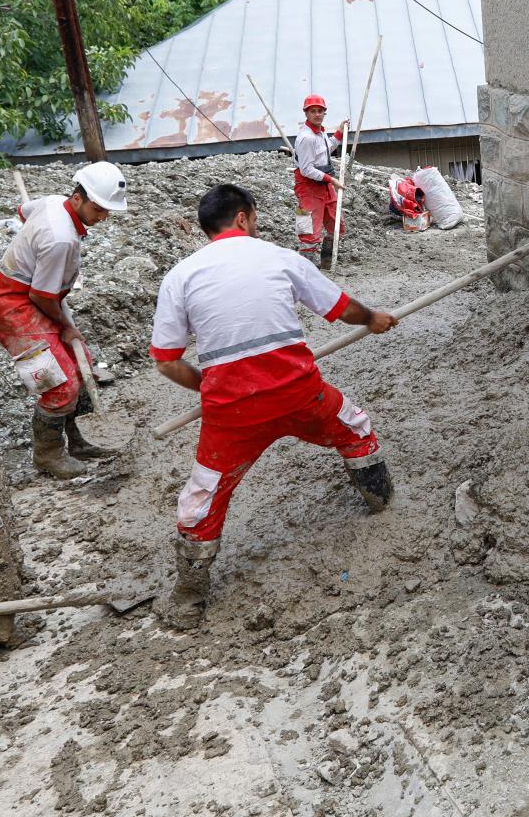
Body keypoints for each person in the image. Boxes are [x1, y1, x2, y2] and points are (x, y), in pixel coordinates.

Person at [149, 182, 400, 629]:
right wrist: (374, 318)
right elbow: (341, 309)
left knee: (202, 499)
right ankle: (380, 502)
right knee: (355, 428)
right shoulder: (278, 257)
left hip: (231, 413)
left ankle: (188, 598)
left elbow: (166, 362)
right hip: (300, 393)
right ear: (244, 217)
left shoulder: (180, 276)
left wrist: (211, 387)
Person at [0, 161, 127, 479]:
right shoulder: (61, 238)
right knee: (60, 384)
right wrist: (66, 327)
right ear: (77, 197)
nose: (103, 217)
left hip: (36, 299)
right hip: (15, 309)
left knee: (81, 364)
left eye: (107, 210)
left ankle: (76, 442)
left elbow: (24, 210)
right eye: (98, 208)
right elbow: (42, 296)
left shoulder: (51, 202)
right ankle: (48, 456)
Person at [292, 94, 345, 263]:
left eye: (320, 111)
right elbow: (307, 170)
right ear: (306, 113)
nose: (317, 114)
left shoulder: (320, 133)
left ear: (324, 113)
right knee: (307, 230)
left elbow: (325, 150)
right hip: (307, 187)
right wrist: (332, 180)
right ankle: (307, 268)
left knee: (336, 223)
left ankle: (327, 261)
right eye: (313, 111)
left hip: (323, 184)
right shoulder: (306, 138)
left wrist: (339, 134)